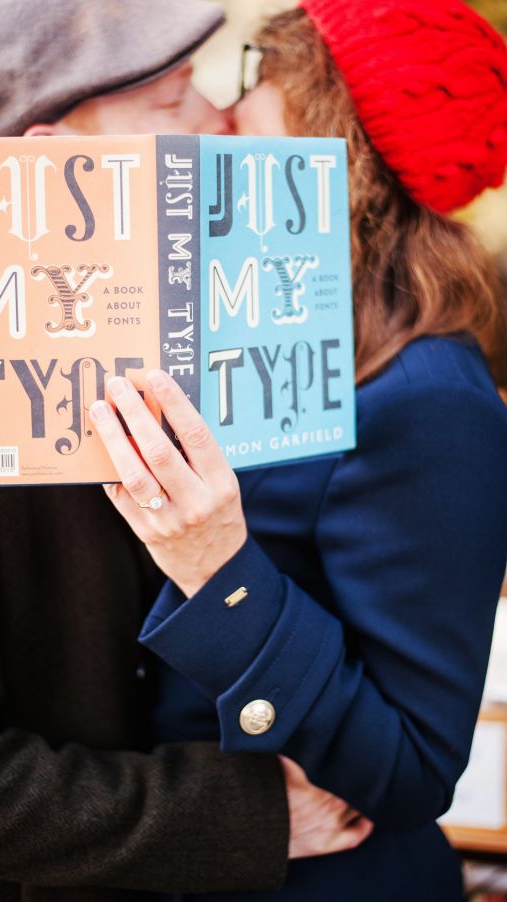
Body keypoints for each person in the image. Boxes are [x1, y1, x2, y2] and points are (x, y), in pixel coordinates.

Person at [0, 1, 374, 901]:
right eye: (171, 101)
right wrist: (240, 818)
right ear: (50, 163)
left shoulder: (194, 332)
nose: (219, 118)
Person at [88, 1, 507, 900]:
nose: (221, 111)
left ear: (334, 133)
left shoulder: (432, 397)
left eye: (254, 78)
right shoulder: (261, 325)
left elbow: (412, 767)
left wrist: (218, 567)